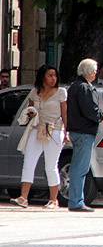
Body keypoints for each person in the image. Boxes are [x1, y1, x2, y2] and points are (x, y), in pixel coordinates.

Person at [11, 65, 67, 209]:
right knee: (28, 162)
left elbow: (65, 114)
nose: (53, 78)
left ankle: (53, 200)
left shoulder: (61, 92)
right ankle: (23, 197)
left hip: (54, 130)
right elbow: (29, 110)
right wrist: (29, 113)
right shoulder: (35, 93)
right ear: (42, 77)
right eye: (49, 75)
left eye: (54, 75)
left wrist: (67, 132)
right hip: (36, 129)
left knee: (51, 165)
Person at [66, 58, 103, 212]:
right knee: (80, 168)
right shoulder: (84, 88)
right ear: (88, 72)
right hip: (84, 132)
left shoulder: (74, 86)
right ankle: (76, 201)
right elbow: (90, 110)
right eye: (94, 70)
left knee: (78, 166)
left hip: (76, 130)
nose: (96, 73)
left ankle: (76, 200)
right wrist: (101, 115)